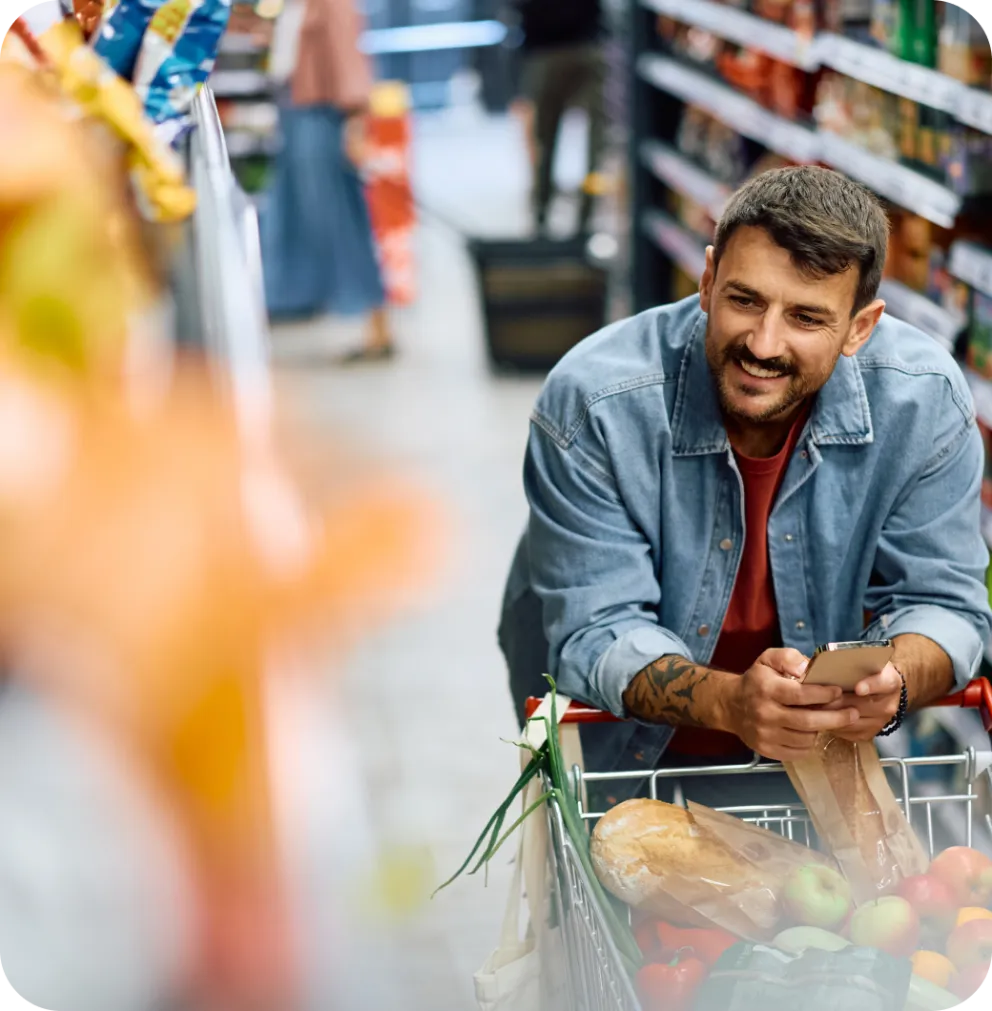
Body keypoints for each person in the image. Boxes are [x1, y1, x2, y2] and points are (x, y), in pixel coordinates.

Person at [498, 166, 992, 805]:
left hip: (805, 746)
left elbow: (945, 604)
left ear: (860, 327)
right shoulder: (596, 403)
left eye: (807, 318)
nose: (763, 343)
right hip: (614, 738)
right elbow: (598, 629)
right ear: (707, 280)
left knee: (801, 903)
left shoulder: (920, 402)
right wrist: (730, 702)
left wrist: (893, 678)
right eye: (745, 300)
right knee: (609, 891)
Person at [262, 0, 394, 361]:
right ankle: (293, 302)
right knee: (295, 219)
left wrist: (355, 123)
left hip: (321, 117)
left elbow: (349, 57)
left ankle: (377, 327)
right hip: (296, 113)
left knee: (341, 219)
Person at [514, 0, 606, 236]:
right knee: (547, 142)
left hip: (580, 46)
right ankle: (544, 214)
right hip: (555, 47)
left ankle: (582, 218)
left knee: (593, 146)